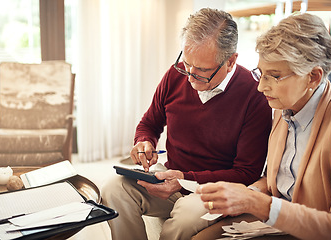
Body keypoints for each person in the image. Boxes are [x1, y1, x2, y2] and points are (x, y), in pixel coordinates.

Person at [102, 8, 272, 240]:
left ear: (231, 61)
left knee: (185, 215)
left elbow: (246, 173)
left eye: (202, 71)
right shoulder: (176, 75)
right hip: (172, 176)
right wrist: (144, 143)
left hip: (215, 188)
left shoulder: (255, 94)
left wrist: (185, 178)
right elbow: (149, 124)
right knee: (114, 189)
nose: (190, 77)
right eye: (186, 63)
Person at [197, 13, 331, 240]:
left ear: (313, 77)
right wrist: (246, 194)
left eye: (274, 76)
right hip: (278, 223)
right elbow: (277, 183)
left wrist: (256, 202)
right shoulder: (285, 109)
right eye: (260, 73)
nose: (260, 87)